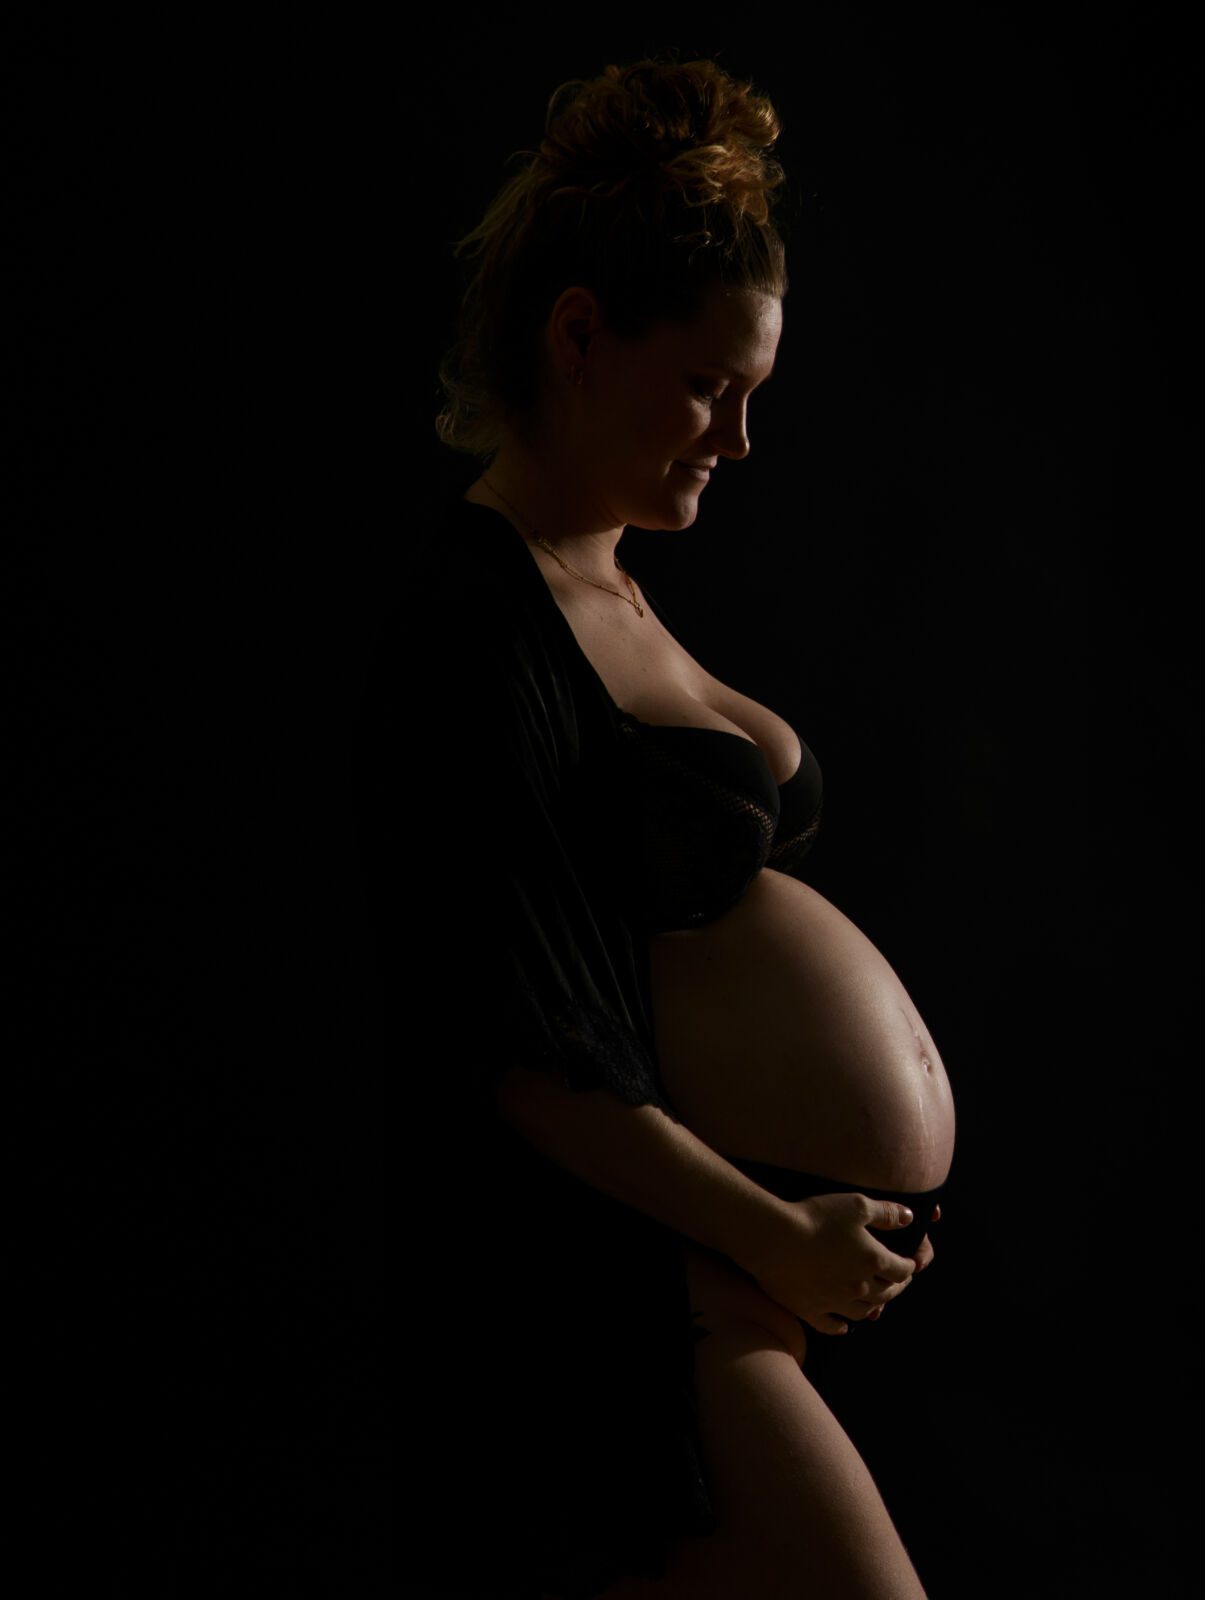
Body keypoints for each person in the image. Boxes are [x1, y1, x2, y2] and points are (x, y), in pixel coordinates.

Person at [353, 55, 955, 1598]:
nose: (738, 439)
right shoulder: (472, 633)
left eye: (755, 395)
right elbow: (522, 1055)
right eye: (707, 386)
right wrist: (770, 1232)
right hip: (632, 1288)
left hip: (732, 1267)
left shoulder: (612, 585)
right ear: (578, 336)